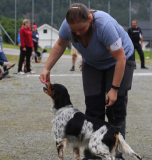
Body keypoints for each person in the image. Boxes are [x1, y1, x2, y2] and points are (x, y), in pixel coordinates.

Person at [39, 3, 135, 160]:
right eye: (73, 30)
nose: (77, 33)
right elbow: (60, 45)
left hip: (119, 60)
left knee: (115, 108)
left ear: (89, 19)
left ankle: (116, 154)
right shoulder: (67, 26)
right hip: (92, 62)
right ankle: (93, 154)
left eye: (81, 29)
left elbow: (120, 58)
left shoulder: (105, 26)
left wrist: (114, 89)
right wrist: (46, 68)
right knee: (93, 105)